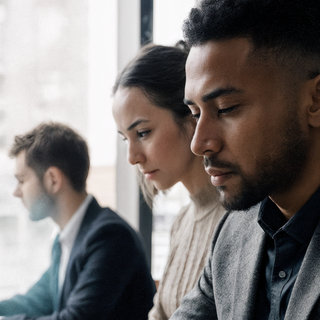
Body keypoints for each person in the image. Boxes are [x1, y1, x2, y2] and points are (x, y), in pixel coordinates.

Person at [169, 0, 320, 319]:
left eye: (225, 108)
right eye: (195, 114)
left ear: (315, 100)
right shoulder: (235, 232)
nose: (199, 144)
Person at [112, 43, 225, 320]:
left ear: (190, 118)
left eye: (143, 132)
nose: (132, 157)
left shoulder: (241, 220)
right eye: (125, 139)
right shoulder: (181, 223)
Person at [0, 122, 156, 320]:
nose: (16, 192)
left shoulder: (110, 237)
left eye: (22, 180)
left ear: (53, 180)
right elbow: (35, 301)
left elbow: (76, 318)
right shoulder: (64, 240)